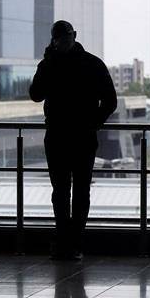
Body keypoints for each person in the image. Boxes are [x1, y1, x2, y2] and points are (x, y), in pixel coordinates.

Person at [29, 20, 117, 260]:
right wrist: (92, 123)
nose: (62, 41)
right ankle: (72, 242)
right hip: (80, 136)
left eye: (63, 36)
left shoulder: (54, 64)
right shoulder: (92, 64)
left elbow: (36, 95)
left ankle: (66, 241)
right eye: (60, 37)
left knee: (64, 191)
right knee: (75, 191)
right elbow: (110, 101)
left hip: (61, 135)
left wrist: (47, 64)